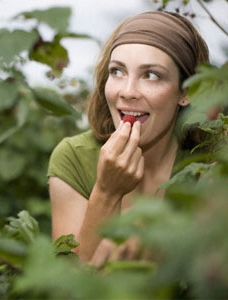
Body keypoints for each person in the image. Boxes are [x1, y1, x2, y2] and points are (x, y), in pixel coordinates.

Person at [47, 11, 209, 267]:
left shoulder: (215, 162)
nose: (128, 92)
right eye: (118, 71)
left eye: (151, 75)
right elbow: (68, 285)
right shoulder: (73, 157)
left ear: (186, 91)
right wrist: (106, 192)